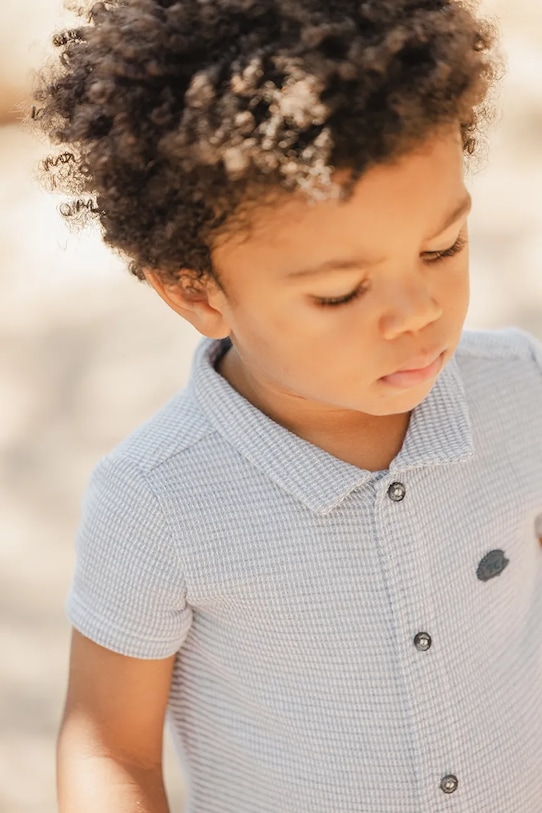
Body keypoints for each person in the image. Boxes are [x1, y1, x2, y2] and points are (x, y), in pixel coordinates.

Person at [30, 1, 542, 811]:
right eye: (341, 292)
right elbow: (110, 748)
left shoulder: (522, 390)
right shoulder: (157, 499)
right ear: (197, 293)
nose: (418, 312)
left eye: (442, 248)